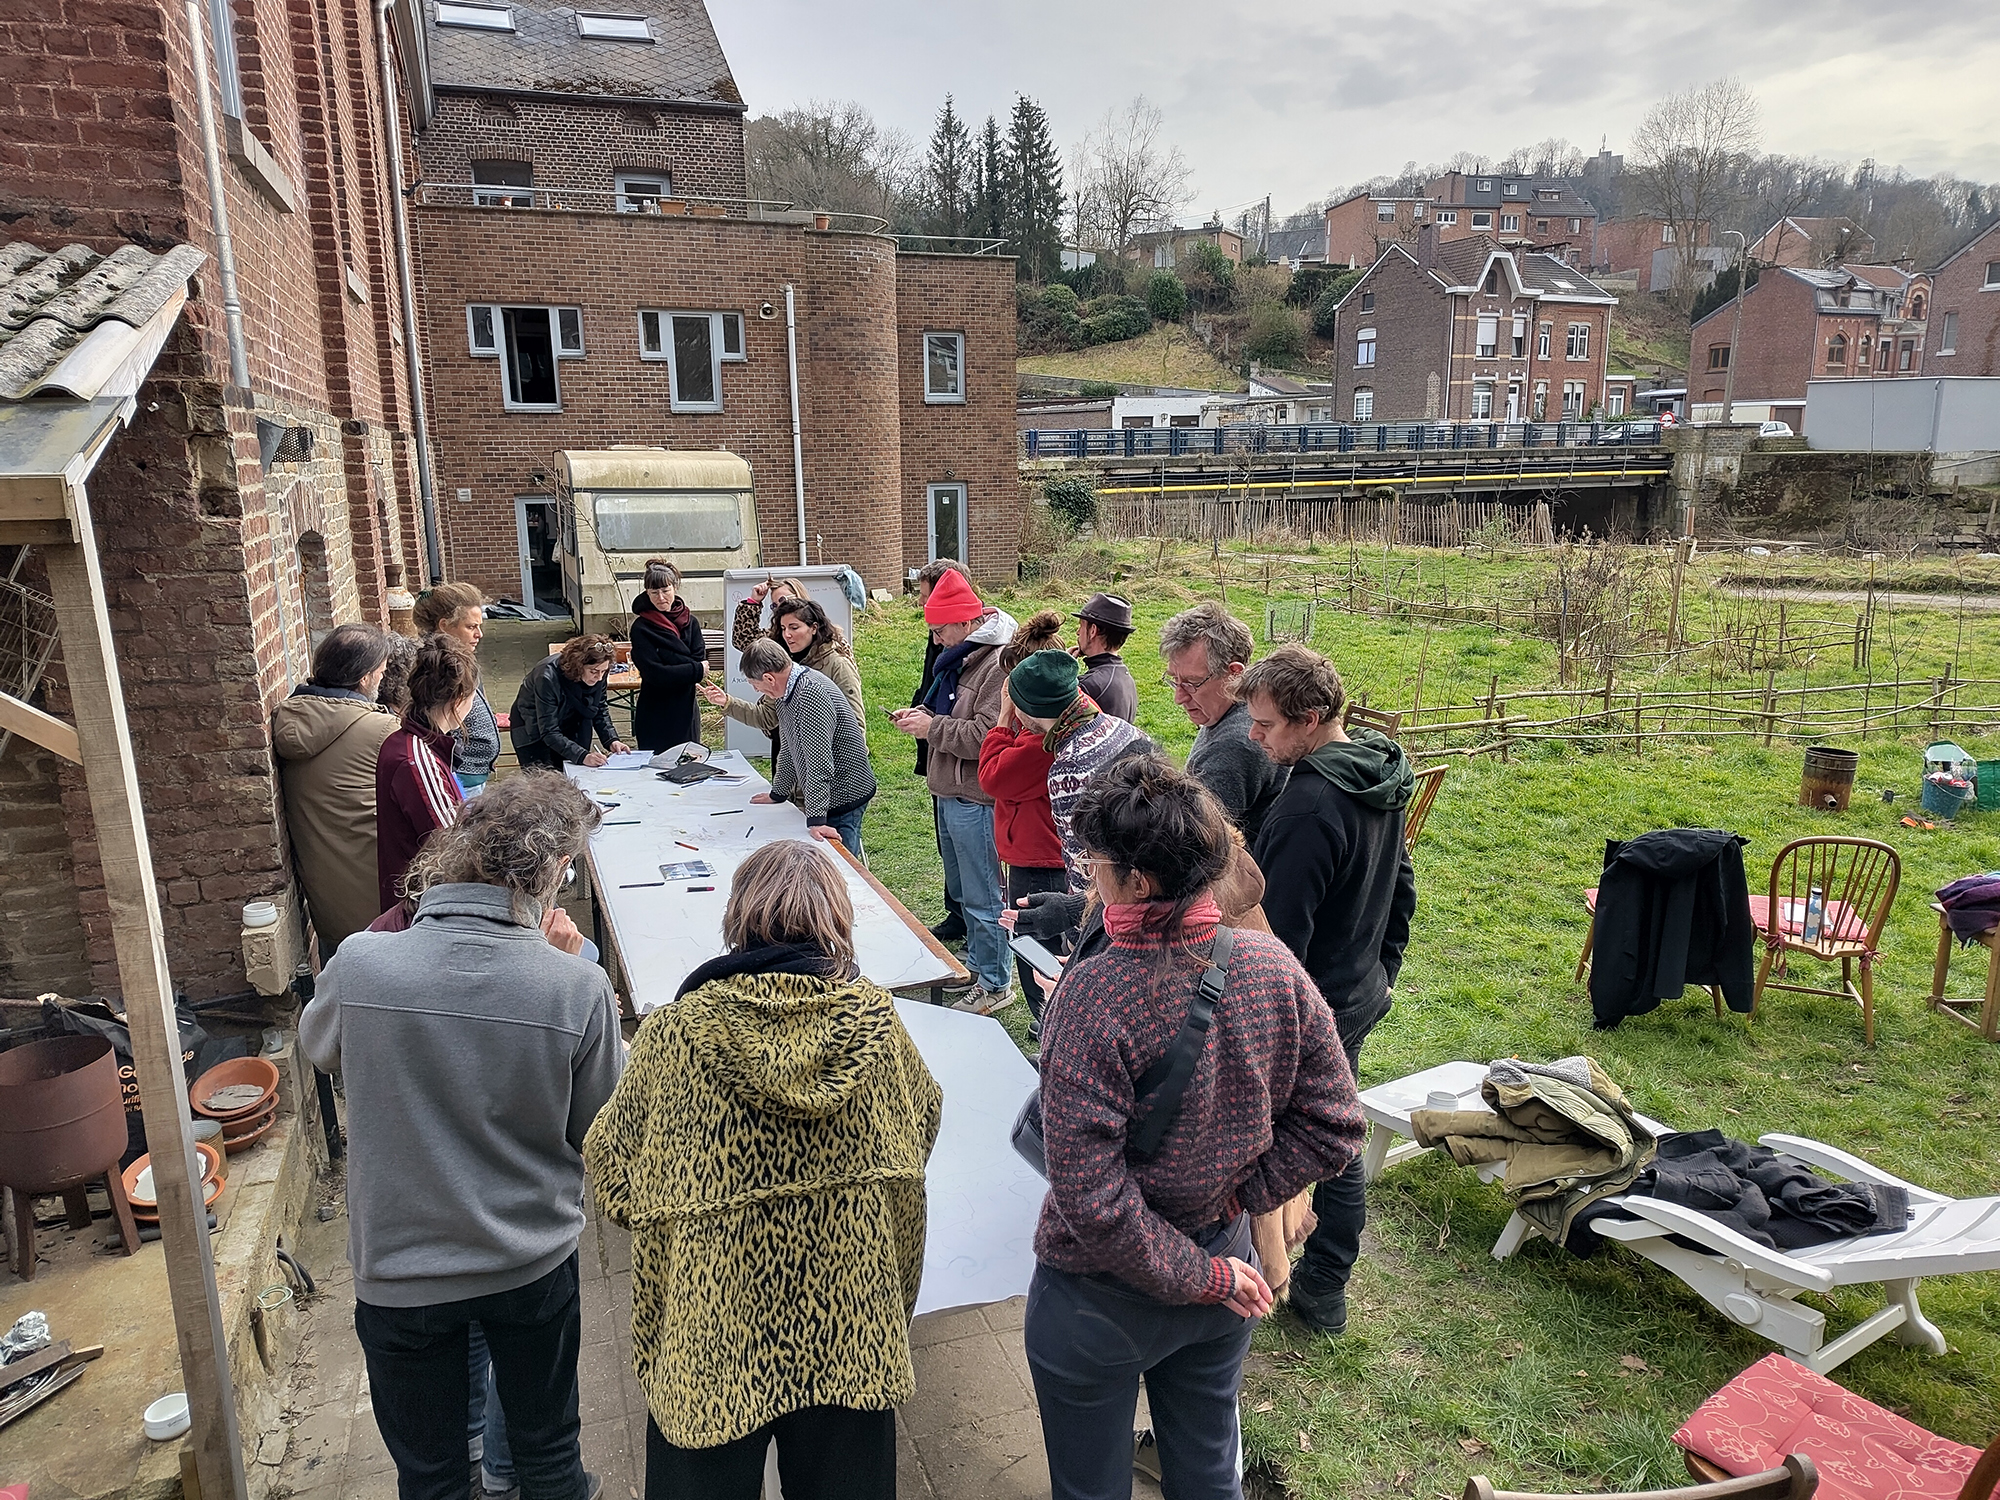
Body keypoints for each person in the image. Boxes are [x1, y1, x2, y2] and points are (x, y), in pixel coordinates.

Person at [1025, 756, 1365, 1500]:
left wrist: (1203, 1271)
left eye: (1095, 863)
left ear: (1139, 881)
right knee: (1210, 1478)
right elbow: (1337, 1124)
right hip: (1225, 1268)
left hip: (1102, 1297)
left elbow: (1090, 1202)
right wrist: (1240, 1197)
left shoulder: (1092, 994)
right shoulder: (1272, 965)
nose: (1089, 875)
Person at [584, 840, 941, 1500]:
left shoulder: (676, 1034)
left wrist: (693, 1210)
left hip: (711, 1331)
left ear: (738, 917)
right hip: (851, 1324)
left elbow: (612, 1169)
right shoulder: (877, 1025)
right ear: (838, 921)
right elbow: (918, 1130)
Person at [301, 773, 622, 1500]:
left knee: (432, 1477)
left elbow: (322, 1048)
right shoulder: (575, 987)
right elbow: (596, 1127)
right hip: (526, 1259)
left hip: (401, 1267)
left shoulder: (360, 961)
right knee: (549, 1460)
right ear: (555, 873)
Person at [1239, 643, 1416, 1338]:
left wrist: (1275, 1032)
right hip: (1356, 993)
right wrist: (1383, 972)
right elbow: (1403, 887)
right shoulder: (1376, 770)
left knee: (1323, 1145)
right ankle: (1311, 1277)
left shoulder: (1309, 808)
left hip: (1315, 1010)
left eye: (1266, 725)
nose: (1255, 738)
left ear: (1309, 719)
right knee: (1334, 1132)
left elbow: (1277, 945)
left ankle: (1318, 1285)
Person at [887, 569, 1016, 1013]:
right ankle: (979, 966)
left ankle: (996, 983)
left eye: (940, 630)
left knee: (984, 896)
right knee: (965, 894)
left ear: (965, 622)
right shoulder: (962, 655)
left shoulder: (996, 665)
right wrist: (922, 715)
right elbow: (951, 712)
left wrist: (932, 727)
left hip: (974, 798)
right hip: (950, 791)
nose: (936, 639)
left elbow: (987, 735)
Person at [275, 623, 399, 959]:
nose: (383, 678)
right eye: (381, 671)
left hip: (327, 904)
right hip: (384, 901)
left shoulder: (288, 719)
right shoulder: (382, 729)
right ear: (365, 678)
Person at [978, 612, 1069, 1020]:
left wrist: (1001, 721)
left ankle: (1047, 1027)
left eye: (1013, 691)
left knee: (1038, 960)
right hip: (1040, 854)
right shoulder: (1056, 724)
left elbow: (993, 777)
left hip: (1039, 861)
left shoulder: (1041, 742)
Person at [1159, 603, 1290, 846]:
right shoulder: (1234, 710)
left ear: (1234, 673)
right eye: (1174, 680)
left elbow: (1187, 846)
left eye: (1192, 683)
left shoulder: (1234, 747)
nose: (1179, 697)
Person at [739, 637, 876, 859]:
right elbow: (789, 747)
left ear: (769, 678)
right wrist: (779, 793)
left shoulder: (810, 695)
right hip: (829, 793)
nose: (756, 690)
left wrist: (817, 820)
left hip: (845, 795)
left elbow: (819, 762)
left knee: (840, 865)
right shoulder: (786, 692)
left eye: (755, 684)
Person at [375, 635, 481, 914]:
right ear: (458, 700)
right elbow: (456, 846)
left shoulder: (412, 743)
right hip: (424, 910)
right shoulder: (416, 760)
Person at [909, 560, 977, 944]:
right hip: (941, 762)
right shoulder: (943, 638)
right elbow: (934, 686)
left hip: (964, 778)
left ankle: (976, 937)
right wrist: (920, 707)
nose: (922, 606)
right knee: (948, 851)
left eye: (926, 596)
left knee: (974, 873)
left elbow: (981, 730)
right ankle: (958, 913)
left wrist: (930, 724)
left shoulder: (978, 655)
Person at [701, 594, 863, 745]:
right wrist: (727, 702)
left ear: (813, 628)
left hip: (827, 755)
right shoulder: (784, 662)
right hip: (790, 749)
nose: (787, 634)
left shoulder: (837, 665)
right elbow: (768, 716)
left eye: (794, 627)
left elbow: (855, 725)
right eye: (783, 628)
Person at [414, 582, 500, 794]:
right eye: (471, 627)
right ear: (444, 625)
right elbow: (437, 722)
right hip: (460, 775)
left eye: (479, 626)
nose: (479, 634)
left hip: (475, 771)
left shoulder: (463, 658)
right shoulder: (437, 667)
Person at [510, 635, 630, 769]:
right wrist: (582, 756)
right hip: (533, 729)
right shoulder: (546, 677)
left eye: (604, 671)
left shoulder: (599, 672)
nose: (599, 677)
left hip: (572, 721)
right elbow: (549, 730)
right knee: (544, 777)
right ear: (578, 666)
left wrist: (611, 740)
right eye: (594, 671)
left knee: (578, 770)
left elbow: (599, 708)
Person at [628, 559, 707, 752]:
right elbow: (655, 674)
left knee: (689, 762)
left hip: (687, 709)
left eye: (665, 590)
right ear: (647, 593)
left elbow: (699, 660)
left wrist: (671, 662)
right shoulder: (641, 628)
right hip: (655, 712)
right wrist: (693, 669)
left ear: (675, 587)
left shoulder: (691, 622)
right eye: (654, 592)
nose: (661, 597)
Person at [1073, 593, 1138, 723]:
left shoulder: (1088, 686)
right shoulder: (1126, 679)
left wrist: (1062, 668)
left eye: (1081, 625)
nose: (1078, 632)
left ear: (1093, 631)